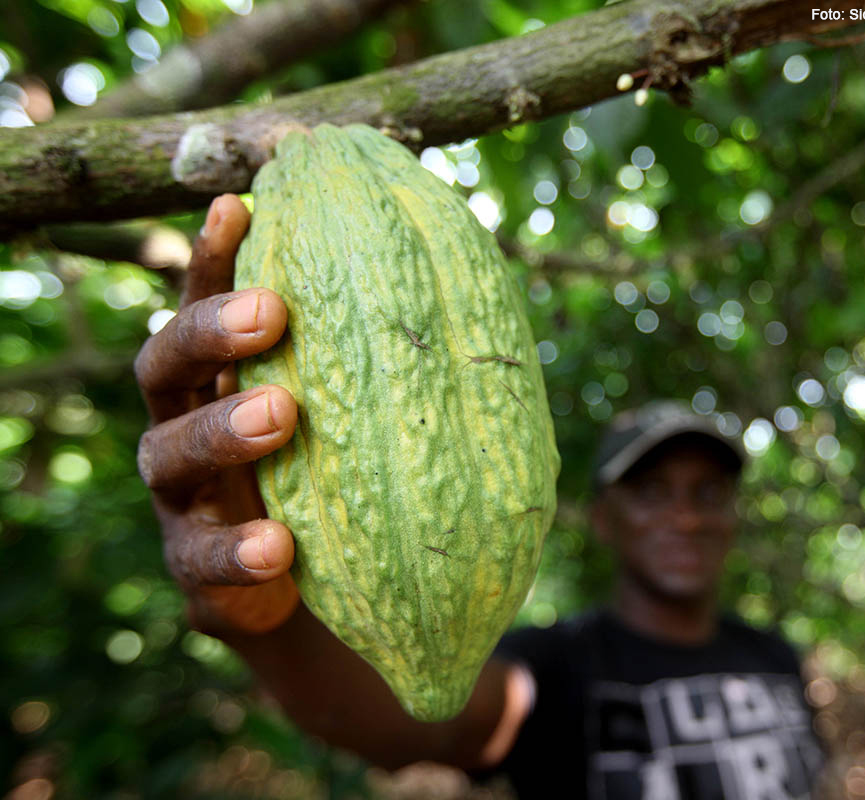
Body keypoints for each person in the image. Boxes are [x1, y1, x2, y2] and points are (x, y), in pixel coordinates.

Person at [135, 194, 825, 798]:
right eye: (650, 491)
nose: (685, 516)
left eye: (709, 492)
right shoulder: (556, 666)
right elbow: (423, 729)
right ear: (603, 519)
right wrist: (268, 627)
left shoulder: (775, 657)